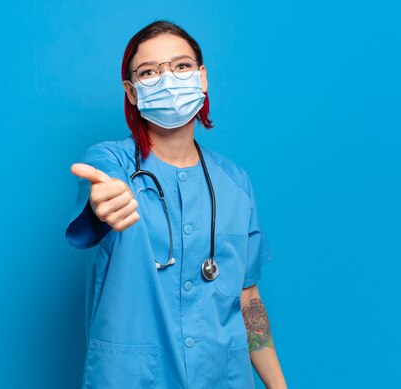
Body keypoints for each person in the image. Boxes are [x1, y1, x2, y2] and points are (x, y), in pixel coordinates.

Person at [66, 20, 288, 389]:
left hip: (223, 376)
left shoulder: (235, 182)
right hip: (135, 378)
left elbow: (248, 299)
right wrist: (102, 204)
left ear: (202, 77)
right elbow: (101, 191)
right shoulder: (112, 163)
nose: (167, 79)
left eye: (181, 66)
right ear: (132, 91)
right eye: (149, 72)